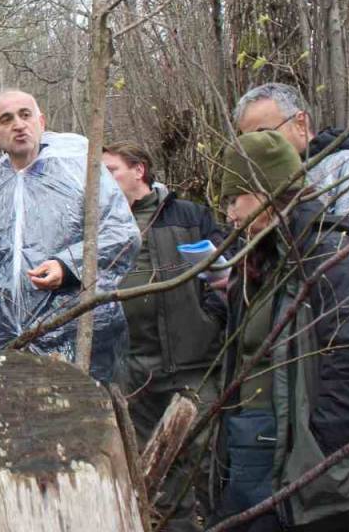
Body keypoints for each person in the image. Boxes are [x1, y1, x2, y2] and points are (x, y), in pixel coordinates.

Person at [211, 131, 349, 531]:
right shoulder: (265, 261)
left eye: (235, 199)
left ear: (267, 191)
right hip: (263, 456)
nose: (229, 215)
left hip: (333, 480)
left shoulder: (331, 253)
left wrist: (318, 448)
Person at [0, 90, 137, 381]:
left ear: (41, 121)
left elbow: (122, 233)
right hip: (4, 338)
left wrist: (68, 267)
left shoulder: (78, 172)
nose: (19, 125)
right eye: (6, 119)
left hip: (78, 331)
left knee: (83, 421)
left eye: (25, 115)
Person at [102, 141, 224, 532]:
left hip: (194, 363)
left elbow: (227, 270)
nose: (103, 182)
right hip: (135, 372)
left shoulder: (188, 214)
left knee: (210, 465)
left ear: (139, 170)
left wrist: (212, 317)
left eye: (111, 171)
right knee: (156, 477)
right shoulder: (100, 224)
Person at [234, 83, 349, 256]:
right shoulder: (268, 186)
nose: (255, 148)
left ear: (300, 124)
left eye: (264, 134)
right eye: (247, 141)